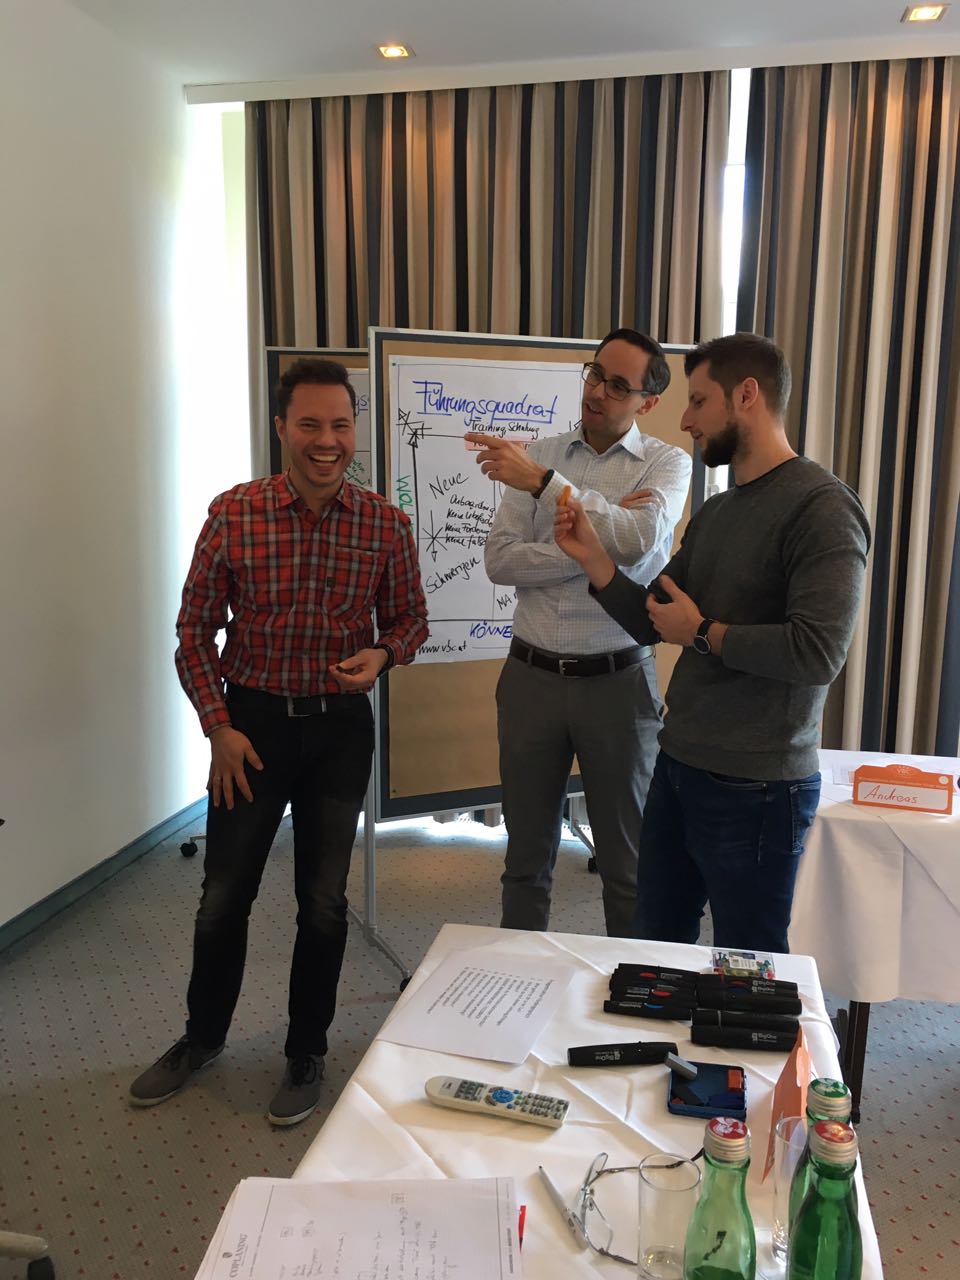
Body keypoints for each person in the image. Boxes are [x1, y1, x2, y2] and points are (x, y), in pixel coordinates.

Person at [130, 358, 428, 1125]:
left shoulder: (385, 524)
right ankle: (202, 1038)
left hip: (338, 730)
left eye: (340, 425)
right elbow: (193, 632)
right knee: (222, 897)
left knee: (322, 902)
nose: (327, 441)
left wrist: (385, 653)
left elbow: (410, 620)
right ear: (281, 428)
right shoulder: (234, 513)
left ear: (354, 429)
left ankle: (306, 1050)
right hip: (250, 730)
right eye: (310, 424)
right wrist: (218, 727)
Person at [554, 332, 871, 953]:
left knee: (747, 963)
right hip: (678, 766)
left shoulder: (823, 508)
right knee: (656, 947)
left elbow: (818, 653)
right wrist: (595, 559)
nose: (685, 420)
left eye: (698, 401)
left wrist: (703, 633)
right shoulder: (719, 512)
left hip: (759, 787)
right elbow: (654, 618)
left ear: (747, 395)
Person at [466, 328, 691, 936]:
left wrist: (549, 490)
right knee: (524, 861)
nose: (597, 391)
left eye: (618, 385)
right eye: (595, 374)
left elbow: (639, 540)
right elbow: (501, 561)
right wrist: (592, 552)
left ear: (647, 402)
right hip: (531, 679)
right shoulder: (540, 452)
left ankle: (633, 985)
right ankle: (518, 984)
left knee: (629, 865)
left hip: (619, 684)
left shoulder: (667, 463)